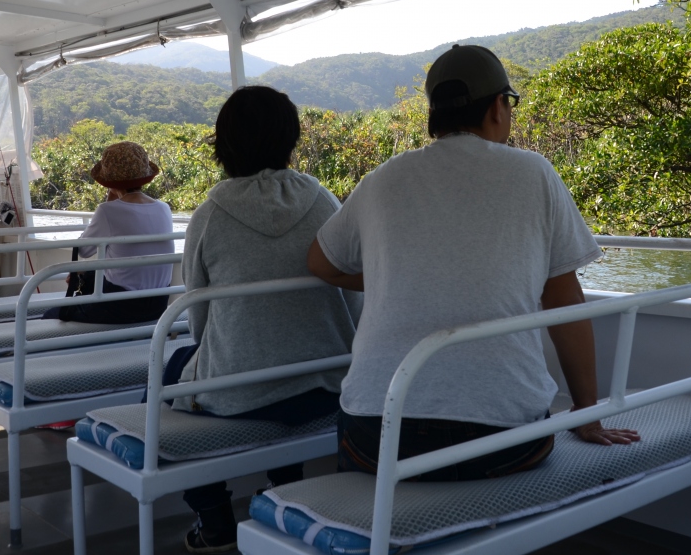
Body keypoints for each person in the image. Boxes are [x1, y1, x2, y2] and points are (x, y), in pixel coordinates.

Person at [308, 44, 639, 483]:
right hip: (501, 436)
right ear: (498, 107)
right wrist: (586, 413)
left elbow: (322, 263)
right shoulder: (534, 173)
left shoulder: (382, 179)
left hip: (374, 434)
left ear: (434, 115)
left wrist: (396, 277)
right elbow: (564, 301)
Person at [169, 86, 360, 554]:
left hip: (243, 394)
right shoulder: (325, 202)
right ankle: (283, 486)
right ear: (290, 137)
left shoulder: (209, 215)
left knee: (171, 370)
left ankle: (213, 515)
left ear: (224, 143)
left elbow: (199, 319)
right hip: (327, 384)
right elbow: (352, 304)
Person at [42, 141, 175, 324]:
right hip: (158, 304)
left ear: (109, 183)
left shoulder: (108, 211)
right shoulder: (164, 208)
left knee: (50, 315)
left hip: (121, 307)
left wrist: (109, 201)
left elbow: (84, 250)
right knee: (88, 276)